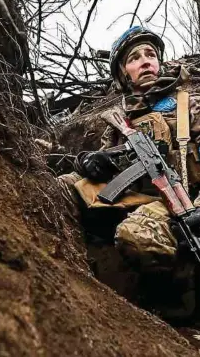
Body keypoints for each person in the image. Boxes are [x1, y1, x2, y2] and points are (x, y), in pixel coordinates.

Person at [53, 26, 200, 321]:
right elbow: (110, 160)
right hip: (141, 197)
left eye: (150, 54)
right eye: (134, 58)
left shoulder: (190, 105)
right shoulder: (123, 120)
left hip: (186, 202)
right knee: (62, 186)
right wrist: (91, 160)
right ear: (124, 74)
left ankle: (179, 305)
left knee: (138, 237)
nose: (145, 61)